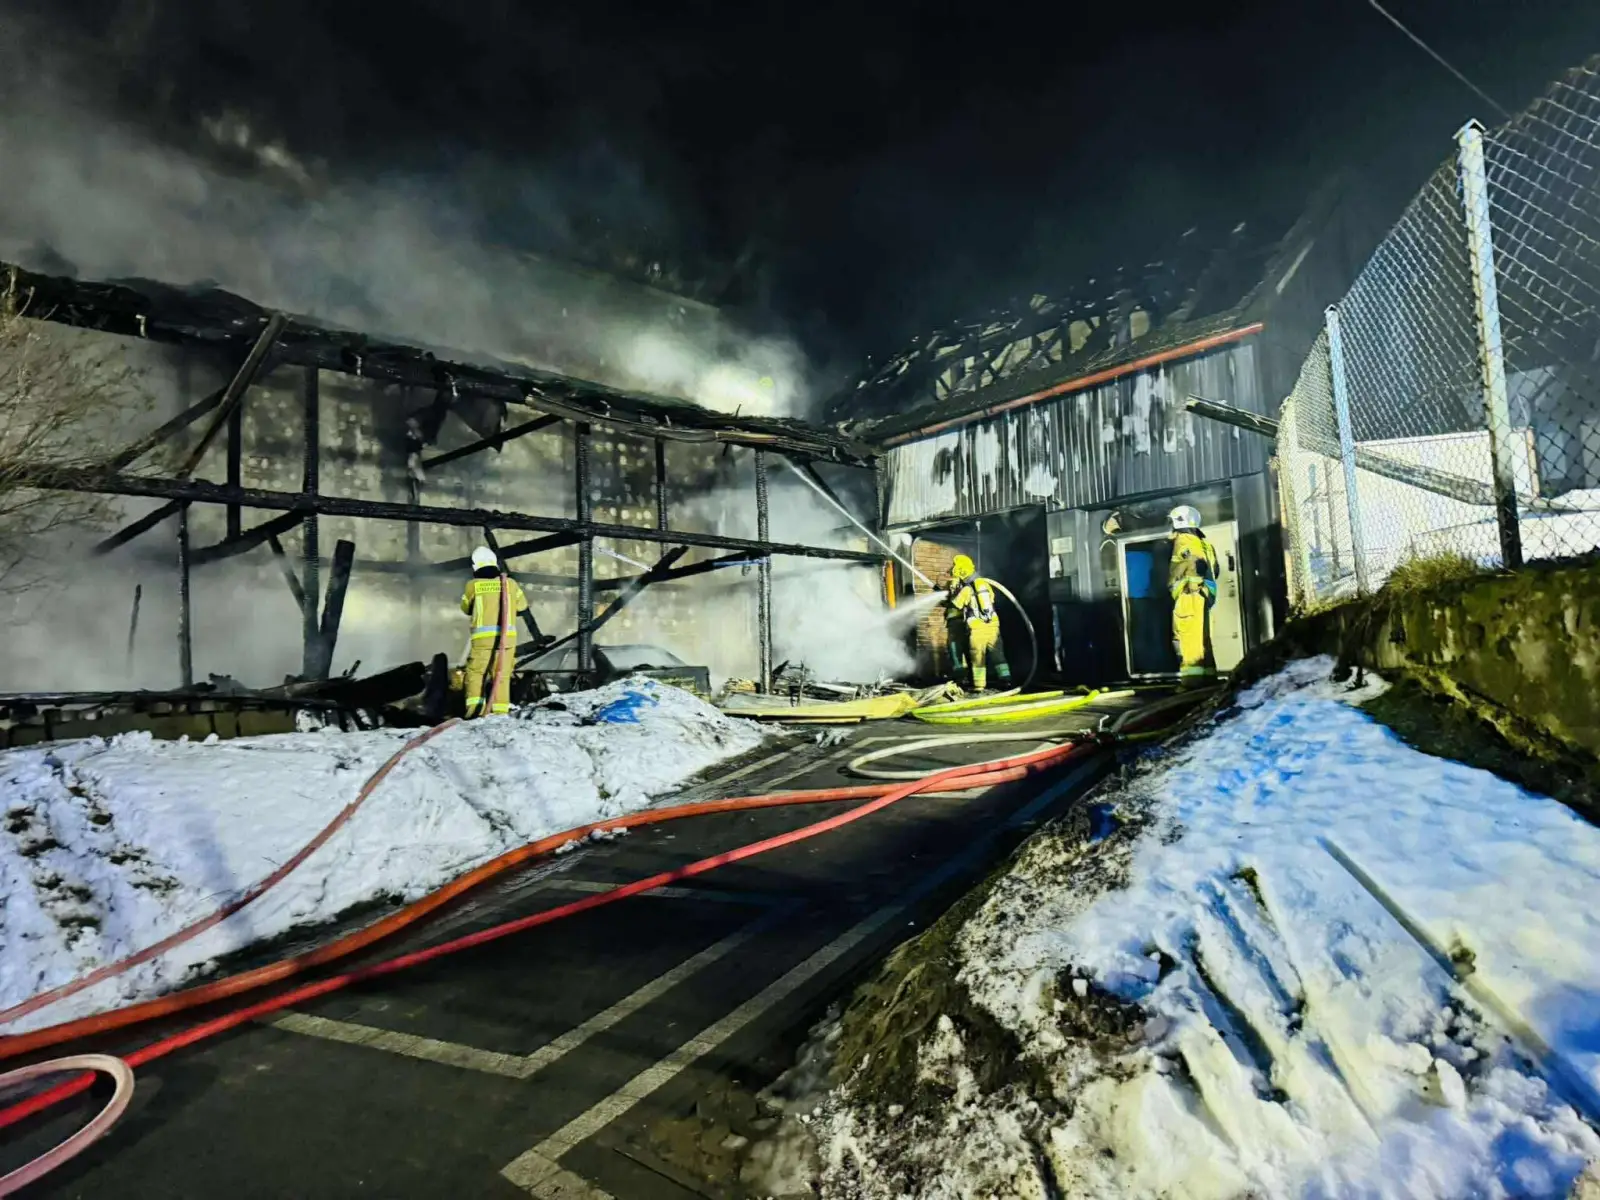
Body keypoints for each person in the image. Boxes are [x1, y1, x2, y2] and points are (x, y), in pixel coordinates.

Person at [460, 546, 530, 717]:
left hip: (483, 641)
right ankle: (500, 714)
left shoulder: (473, 586)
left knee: (476, 674)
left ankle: (475, 712)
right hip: (507, 640)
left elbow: (465, 608)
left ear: (475, 566)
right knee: (502, 676)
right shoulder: (510, 584)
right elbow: (523, 606)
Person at [945, 554, 1013, 693]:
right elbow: (991, 600)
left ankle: (979, 685)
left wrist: (950, 593)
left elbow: (955, 605)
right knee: (998, 655)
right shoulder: (984, 584)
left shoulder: (966, 589)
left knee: (977, 657)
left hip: (977, 628)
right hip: (993, 627)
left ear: (961, 570)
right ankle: (1006, 680)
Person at [1167, 506, 1220, 681]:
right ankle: (1209, 679)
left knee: (1188, 641)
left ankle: (1191, 684)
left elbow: (1196, 565)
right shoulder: (1204, 543)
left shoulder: (1184, 541)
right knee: (1202, 640)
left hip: (1190, 597)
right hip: (1203, 598)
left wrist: (1190, 586)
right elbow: (1215, 570)